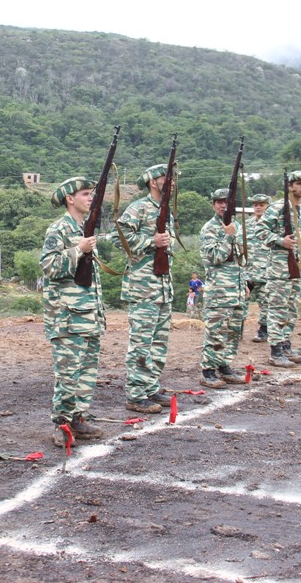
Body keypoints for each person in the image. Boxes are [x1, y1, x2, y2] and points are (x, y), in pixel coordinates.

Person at [40, 177, 106, 447]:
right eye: (85, 194)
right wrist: (78, 249)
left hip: (88, 313)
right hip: (67, 315)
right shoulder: (59, 229)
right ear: (70, 198)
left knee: (87, 370)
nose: (89, 198)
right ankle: (62, 423)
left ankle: (77, 417)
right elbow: (49, 266)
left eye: (91, 194)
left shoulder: (83, 227)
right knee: (68, 373)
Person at [116, 164, 175, 415]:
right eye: (166, 179)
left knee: (158, 342)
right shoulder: (138, 208)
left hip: (162, 286)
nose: (171, 183)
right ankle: (136, 393)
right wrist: (151, 241)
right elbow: (118, 237)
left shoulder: (165, 210)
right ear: (153, 182)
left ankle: (151, 386)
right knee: (141, 343)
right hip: (143, 287)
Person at [258, 170, 301, 367]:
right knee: (278, 309)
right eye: (299, 183)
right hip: (280, 268)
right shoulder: (279, 207)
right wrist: (280, 241)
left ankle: (286, 345)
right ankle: (275, 350)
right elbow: (260, 230)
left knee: (291, 309)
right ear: (290, 186)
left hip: (296, 268)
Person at [198, 188, 248, 388]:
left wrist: (245, 283)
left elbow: (242, 257)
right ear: (213, 205)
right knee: (216, 331)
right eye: (218, 202)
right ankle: (208, 370)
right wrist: (228, 237)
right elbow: (214, 257)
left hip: (236, 288)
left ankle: (224, 365)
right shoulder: (209, 229)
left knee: (234, 331)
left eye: (226, 202)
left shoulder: (237, 226)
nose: (223, 205)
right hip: (219, 289)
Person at [245, 194, 272, 342]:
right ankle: (236, 331)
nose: (258, 207)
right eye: (255, 204)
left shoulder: (273, 226)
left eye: (262, 204)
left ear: (268, 206)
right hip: (248, 271)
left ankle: (264, 330)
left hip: (266, 272)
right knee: (240, 301)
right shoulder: (247, 225)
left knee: (265, 302)